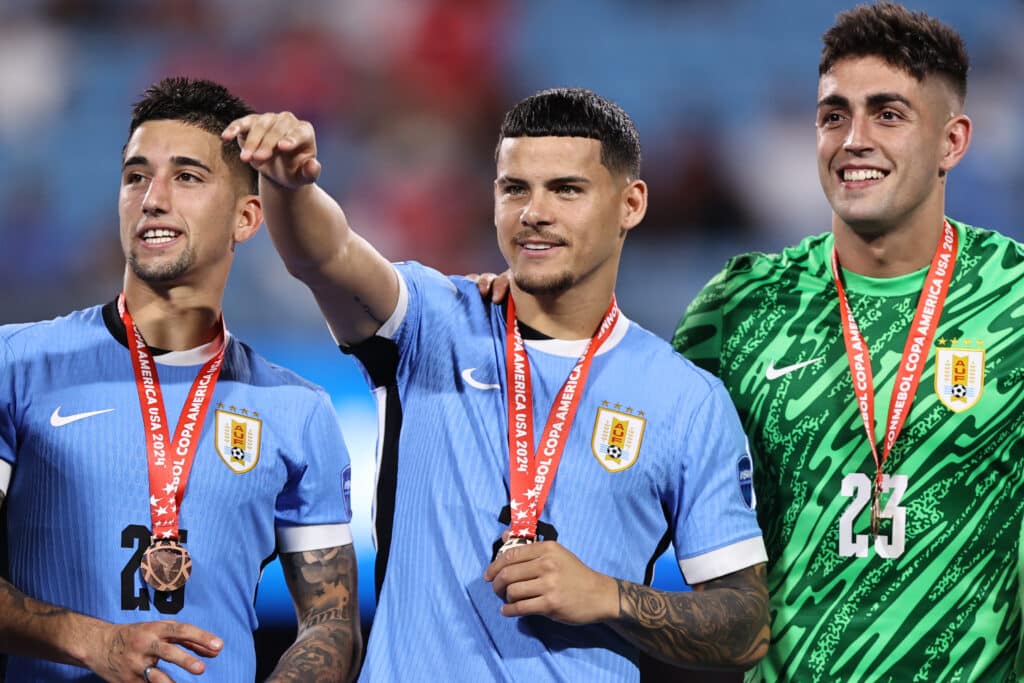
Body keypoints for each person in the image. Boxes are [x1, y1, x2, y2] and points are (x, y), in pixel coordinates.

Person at [224, 87, 769, 681]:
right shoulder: (432, 322)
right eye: (515, 188)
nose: (534, 211)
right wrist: (287, 185)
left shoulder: (686, 399)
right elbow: (326, 255)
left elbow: (745, 625)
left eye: (566, 189)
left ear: (630, 204)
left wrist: (607, 596)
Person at [672, 3, 1024, 680]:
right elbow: (635, 471)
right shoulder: (741, 306)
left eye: (888, 114)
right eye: (834, 115)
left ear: (953, 141)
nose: (853, 138)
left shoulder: (1012, 299)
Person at [0, 77, 361, 682]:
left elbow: (330, 624)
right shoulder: (16, 365)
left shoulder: (298, 410)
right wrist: (94, 641)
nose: (152, 198)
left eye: (187, 177)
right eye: (136, 176)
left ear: (247, 219)